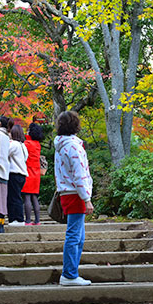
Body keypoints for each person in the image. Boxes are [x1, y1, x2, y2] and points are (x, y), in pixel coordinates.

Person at [54, 111, 94, 286]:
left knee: (77, 235)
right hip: (75, 193)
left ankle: (71, 272)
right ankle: (69, 274)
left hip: (66, 192)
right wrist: (86, 198)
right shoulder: (74, 147)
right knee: (75, 235)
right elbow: (79, 174)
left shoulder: (61, 146)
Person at [22, 122, 45, 225]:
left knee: (27, 196)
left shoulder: (27, 144)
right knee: (34, 197)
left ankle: (27, 220)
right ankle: (37, 220)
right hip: (36, 173)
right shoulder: (37, 145)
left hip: (28, 171)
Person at [7, 124, 28, 225]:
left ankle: (17, 219)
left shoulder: (13, 144)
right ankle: (17, 218)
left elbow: (5, 153)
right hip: (22, 174)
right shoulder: (23, 146)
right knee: (17, 196)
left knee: (13, 197)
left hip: (14, 173)